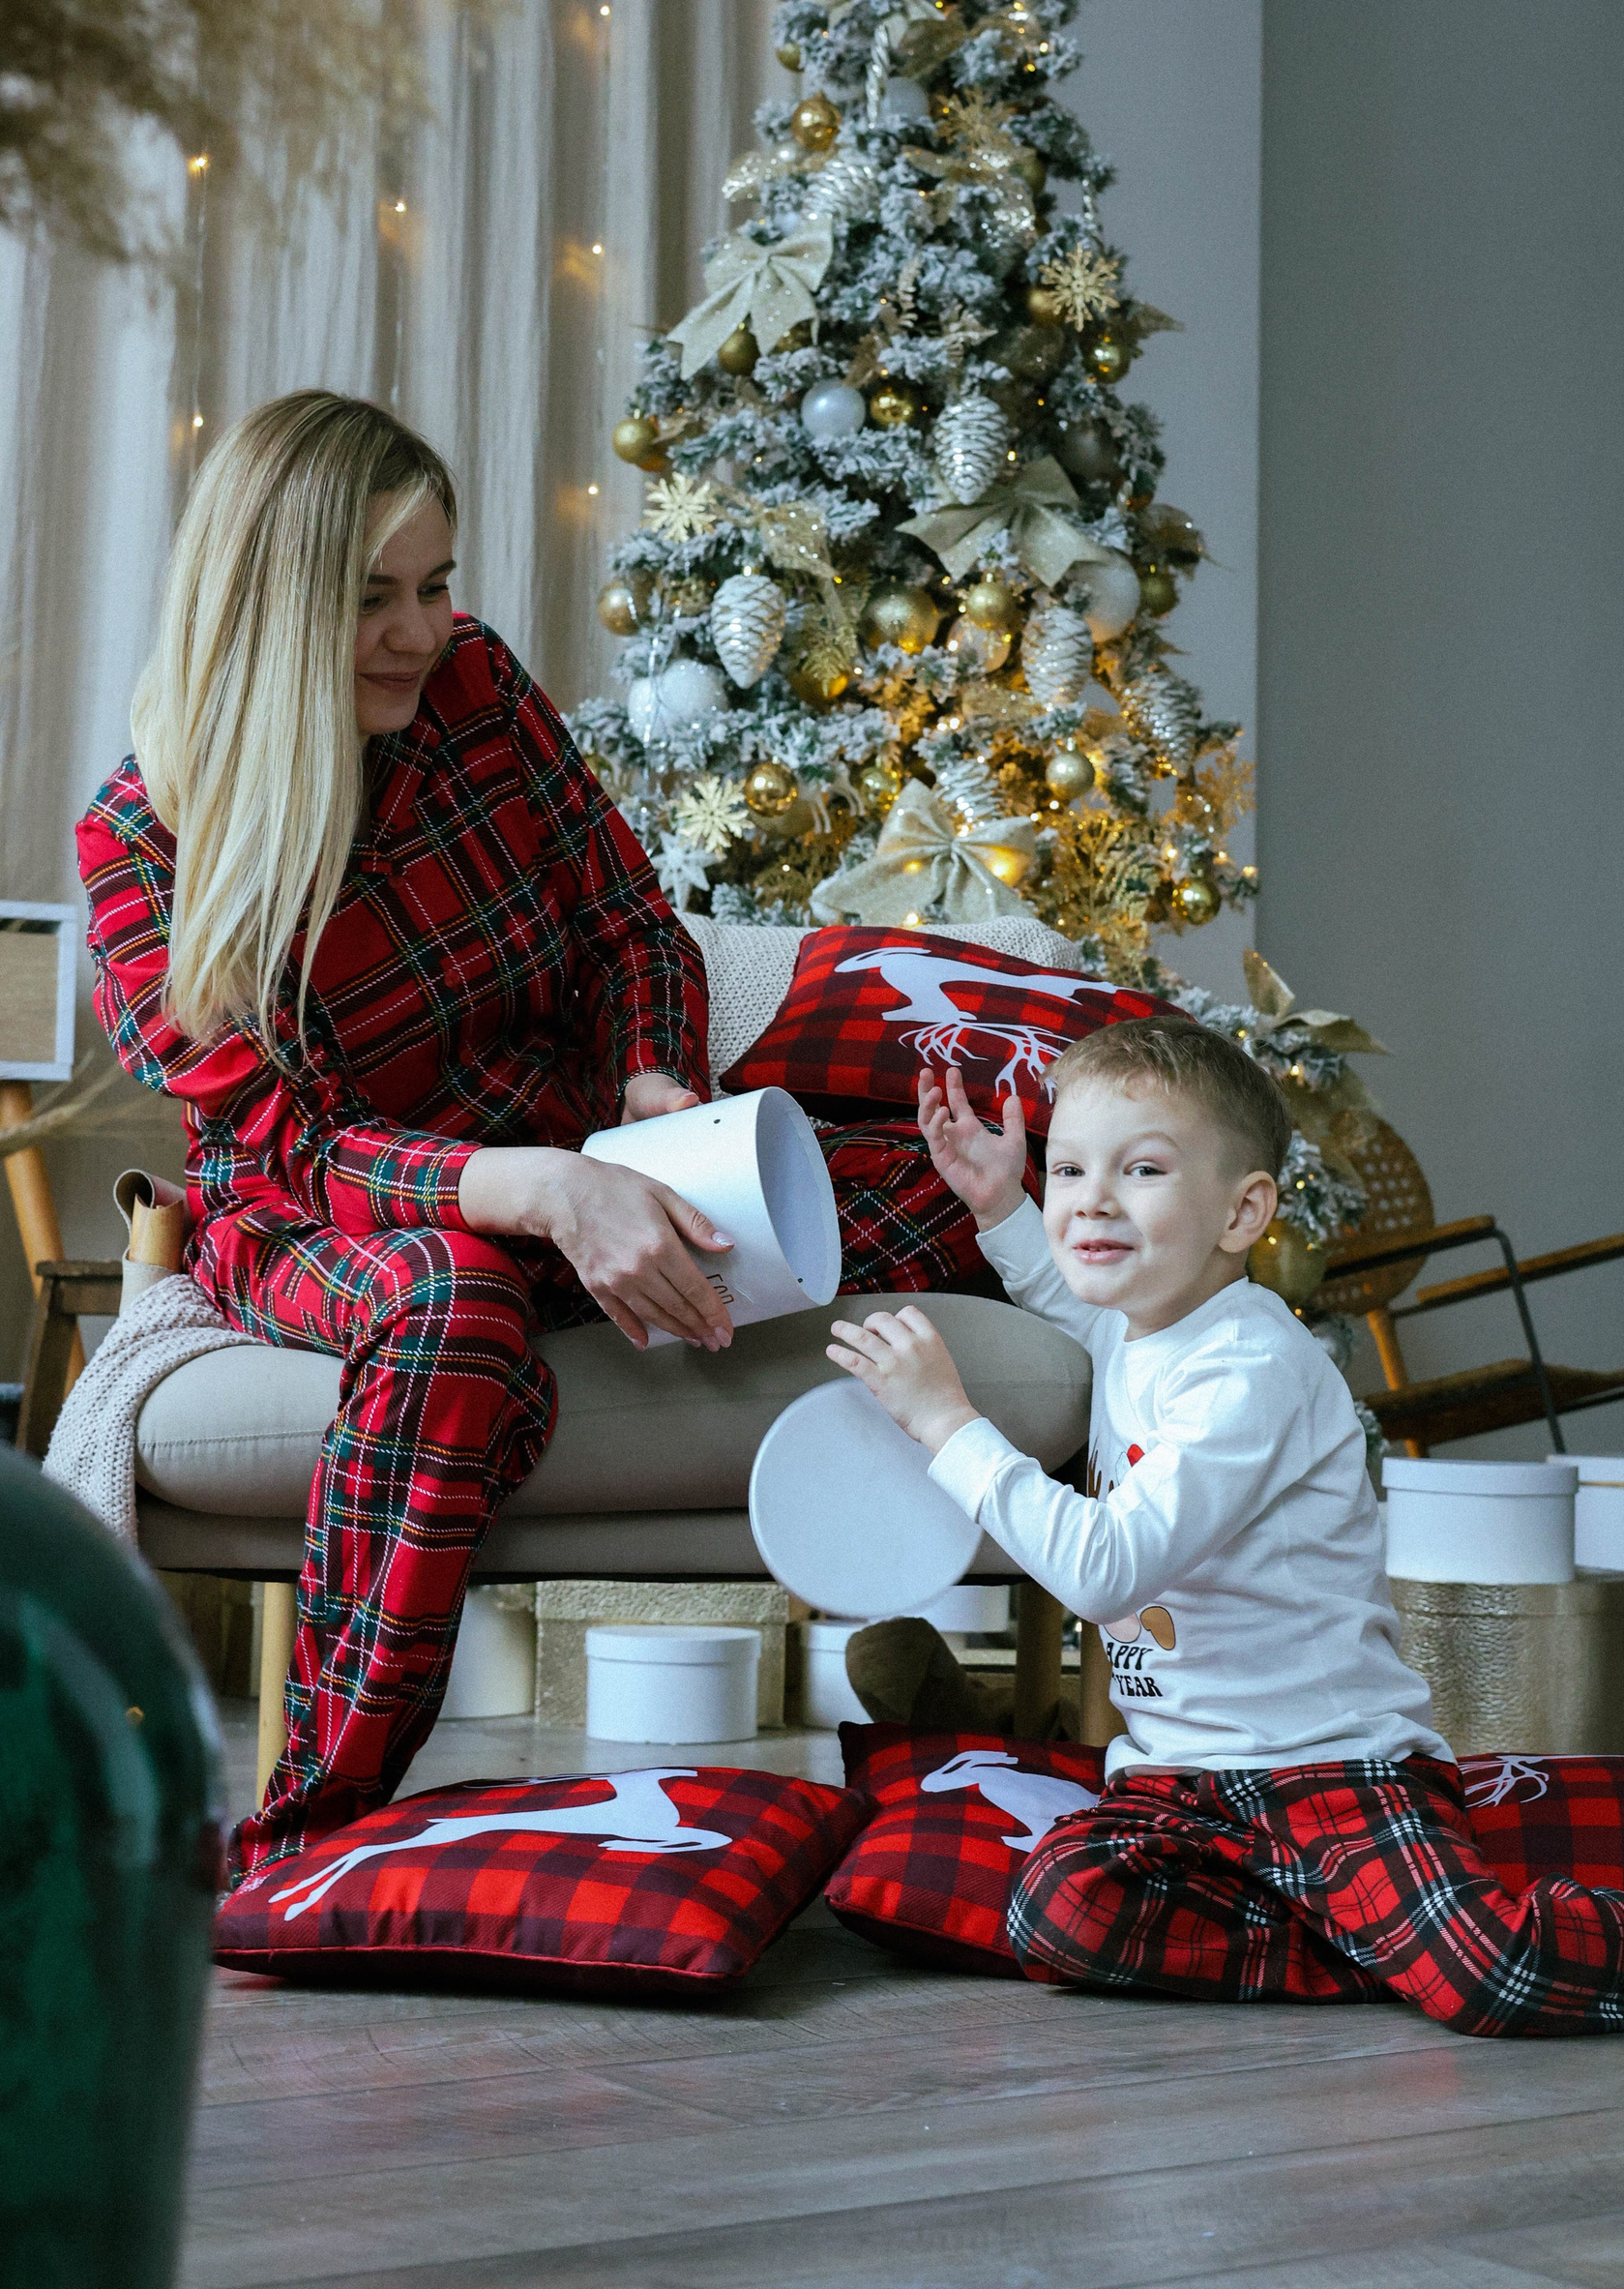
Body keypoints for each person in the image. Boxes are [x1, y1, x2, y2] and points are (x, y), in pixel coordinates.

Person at [78, 391, 983, 1888]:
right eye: (371, 598)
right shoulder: (140, 842)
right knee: (458, 1303)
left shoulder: (479, 689)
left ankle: (1041, 1696)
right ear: (268, 605)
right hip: (330, 1212)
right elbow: (296, 1146)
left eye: (435, 584)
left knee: (943, 1191)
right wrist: (549, 1196)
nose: (420, 631)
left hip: (580, 1157)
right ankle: (313, 1831)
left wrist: (652, 1095)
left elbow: (630, 925)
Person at [827, 1017, 1624, 2032]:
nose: (1091, 1198)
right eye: (1070, 1170)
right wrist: (1001, 1204)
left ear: (1242, 1212)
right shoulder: (1137, 1328)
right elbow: (1066, 1290)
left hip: (1328, 1771)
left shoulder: (1250, 1367)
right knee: (1062, 1908)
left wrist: (945, 1422)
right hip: (1177, 1782)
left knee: (1488, 1978)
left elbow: (1106, 1572)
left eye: (1141, 1170)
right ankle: (1382, 1950)